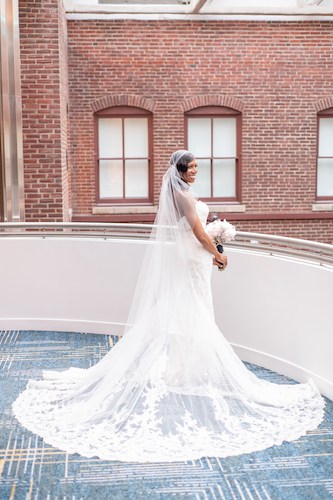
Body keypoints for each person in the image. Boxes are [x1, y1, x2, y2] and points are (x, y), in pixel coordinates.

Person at [12, 150, 324, 462]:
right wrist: (218, 251)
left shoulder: (183, 192)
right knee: (195, 310)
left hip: (192, 258)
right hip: (194, 258)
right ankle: (186, 370)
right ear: (179, 169)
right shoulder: (183, 196)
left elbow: (196, 229)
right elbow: (198, 231)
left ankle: (184, 368)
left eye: (197, 168)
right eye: (191, 168)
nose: (195, 172)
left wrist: (214, 239)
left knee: (190, 310)